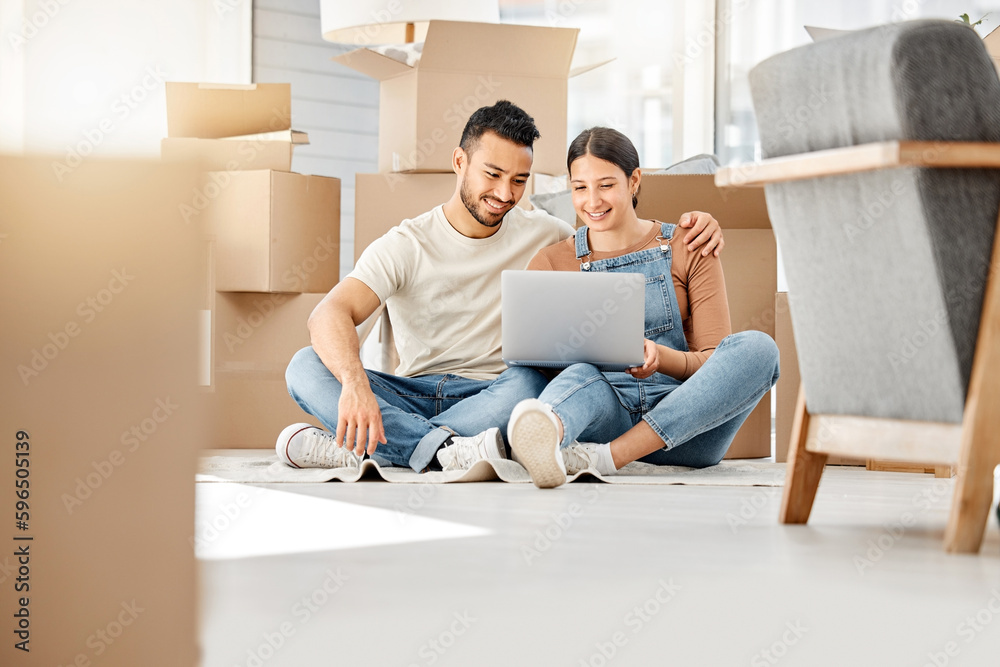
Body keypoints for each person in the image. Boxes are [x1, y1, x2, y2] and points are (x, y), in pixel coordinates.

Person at [275, 102, 724, 473]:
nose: (505, 194)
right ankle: (443, 449)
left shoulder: (548, 235)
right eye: (492, 174)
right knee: (304, 365)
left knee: (532, 382)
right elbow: (328, 315)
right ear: (459, 162)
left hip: (499, 392)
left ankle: (368, 448)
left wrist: (697, 224)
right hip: (409, 390)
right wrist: (355, 385)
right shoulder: (406, 243)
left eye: (519, 180)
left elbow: (613, 224)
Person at [508, 127, 779, 488]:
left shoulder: (690, 243)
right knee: (579, 375)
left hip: (688, 429)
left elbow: (715, 360)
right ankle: (545, 434)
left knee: (759, 349)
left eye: (606, 185)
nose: (592, 201)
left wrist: (660, 357)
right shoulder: (551, 261)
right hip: (606, 415)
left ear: (634, 181)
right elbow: (534, 358)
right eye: (580, 187)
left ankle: (607, 459)